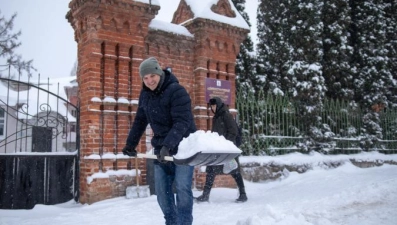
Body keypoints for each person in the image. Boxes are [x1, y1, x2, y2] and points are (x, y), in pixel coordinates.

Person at [122, 57, 197, 225]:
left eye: (152, 76)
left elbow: (182, 122)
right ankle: (171, 222)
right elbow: (140, 121)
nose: (149, 81)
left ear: (159, 73)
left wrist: (168, 146)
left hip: (183, 148)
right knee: (162, 193)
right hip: (161, 149)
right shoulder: (145, 95)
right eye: (145, 78)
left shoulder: (177, 91)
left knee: (183, 189)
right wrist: (130, 144)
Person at [195, 97, 248, 203]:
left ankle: (243, 194)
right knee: (211, 170)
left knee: (235, 172)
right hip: (219, 149)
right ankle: (205, 195)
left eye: (214, 106)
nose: (212, 108)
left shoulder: (225, 115)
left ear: (218, 105)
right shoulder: (217, 116)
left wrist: (226, 144)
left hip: (228, 150)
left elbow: (233, 131)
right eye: (211, 106)